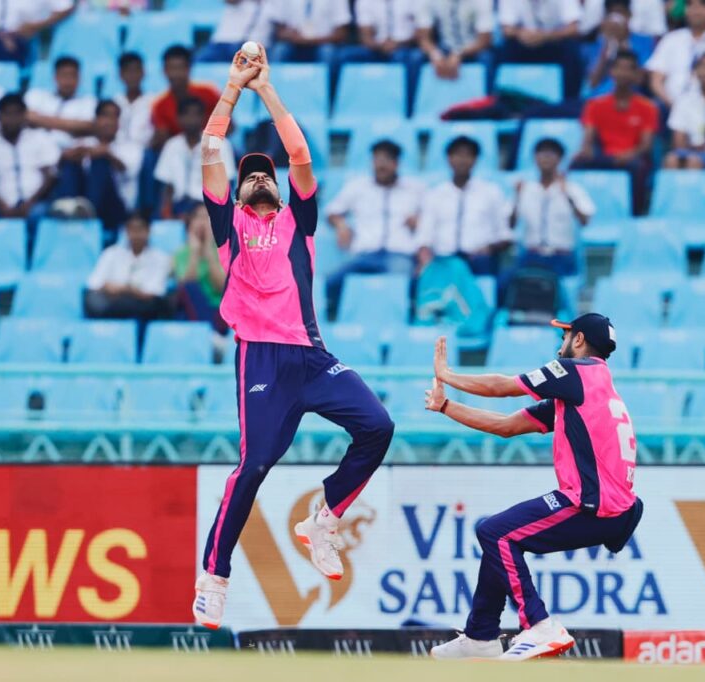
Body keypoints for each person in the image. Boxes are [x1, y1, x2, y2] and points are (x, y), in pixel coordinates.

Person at [192, 46, 394, 630]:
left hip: (312, 358)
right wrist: (232, 89)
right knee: (253, 466)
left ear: (281, 191)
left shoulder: (298, 222)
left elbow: (299, 154)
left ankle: (324, 518)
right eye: (249, 175)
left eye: (267, 174)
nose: (258, 177)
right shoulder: (228, 226)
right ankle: (214, 578)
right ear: (235, 194)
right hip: (261, 360)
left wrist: (266, 89)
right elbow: (210, 152)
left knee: (378, 426)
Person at [426, 314, 642, 661]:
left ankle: (540, 625)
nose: (560, 345)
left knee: (496, 534)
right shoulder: (590, 389)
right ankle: (480, 636)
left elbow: (501, 387)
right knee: (499, 535)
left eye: (565, 336)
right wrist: (445, 406)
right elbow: (506, 426)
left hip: (592, 505)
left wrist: (447, 375)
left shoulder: (574, 373)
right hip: (614, 510)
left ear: (579, 339)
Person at [324, 139, 424, 317]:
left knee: (404, 281)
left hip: (399, 254)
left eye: (387, 160)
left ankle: (406, 317)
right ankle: (334, 318)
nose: (381, 165)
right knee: (332, 282)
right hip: (365, 254)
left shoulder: (415, 189)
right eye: (377, 159)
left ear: (396, 163)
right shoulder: (358, 187)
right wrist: (341, 225)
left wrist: (419, 221)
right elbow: (331, 211)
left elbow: (433, 218)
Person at [572, 49, 657, 214]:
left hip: (632, 158)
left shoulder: (647, 107)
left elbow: (646, 145)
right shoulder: (595, 105)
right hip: (605, 156)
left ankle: (634, 213)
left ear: (636, 74)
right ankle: (581, 210)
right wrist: (586, 149)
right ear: (611, 72)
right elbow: (588, 137)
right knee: (577, 164)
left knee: (637, 167)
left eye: (628, 69)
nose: (623, 73)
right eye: (619, 68)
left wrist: (629, 154)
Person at [417, 136, 513, 276]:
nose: (462, 160)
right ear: (449, 159)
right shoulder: (435, 194)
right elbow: (424, 235)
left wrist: (489, 248)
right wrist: (425, 259)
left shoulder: (491, 192)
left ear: (475, 160)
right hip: (443, 258)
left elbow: (504, 235)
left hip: (478, 258)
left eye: (468, 155)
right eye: (457, 155)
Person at [0, 93, 59, 233]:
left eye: (17, 114)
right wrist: (2, 205)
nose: (12, 119)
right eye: (7, 114)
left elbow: (49, 176)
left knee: (39, 215)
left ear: (24, 116)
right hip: (1, 203)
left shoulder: (40, 138)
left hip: (35, 202)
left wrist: (30, 203)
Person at [55, 100, 143, 233]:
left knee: (100, 162)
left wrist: (107, 155)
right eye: (105, 116)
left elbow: (127, 171)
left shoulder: (130, 146)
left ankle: (89, 210)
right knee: (71, 162)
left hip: (116, 208)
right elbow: (60, 171)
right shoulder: (84, 143)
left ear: (119, 122)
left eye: (114, 117)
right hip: (81, 201)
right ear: (96, 120)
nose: (109, 121)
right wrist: (65, 157)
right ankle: (67, 207)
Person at [511, 139, 594, 278]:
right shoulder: (524, 189)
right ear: (535, 158)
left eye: (551, 154)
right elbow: (510, 224)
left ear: (560, 159)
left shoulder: (572, 188)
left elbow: (585, 221)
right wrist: (517, 197)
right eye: (541, 154)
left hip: (561, 256)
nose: (546, 159)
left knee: (552, 284)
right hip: (532, 255)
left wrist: (568, 195)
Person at [155, 97, 236, 218]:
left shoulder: (219, 144)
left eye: (195, 115)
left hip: (208, 205)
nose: (191, 119)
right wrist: (168, 214)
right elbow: (166, 186)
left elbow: (226, 183)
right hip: (180, 207)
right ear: (178, 118)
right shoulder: (171, 145)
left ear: (203, 117)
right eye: (186, 115)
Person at [84, 213, 173, 321]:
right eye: (132, 229)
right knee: (93, 300)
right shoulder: (111, 253)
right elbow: (94, 284)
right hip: (111, 301)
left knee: (153, 305)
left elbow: (154, 293)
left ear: (149, 231)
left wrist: (126, 289)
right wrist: (108, 287)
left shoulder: (161, 258)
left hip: (141, 304)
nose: (136, 234)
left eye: (140, 229)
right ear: (126, 231)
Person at [498, 0, 585, 99]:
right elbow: (506, 29)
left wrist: (545, 36)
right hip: (524, 42)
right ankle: (506, 97)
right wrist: (521, 34)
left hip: (554, 42)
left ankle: (570, 99)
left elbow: (574, 28)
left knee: (571, 48)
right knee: (505, 47)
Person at [269, 0, 351, 99]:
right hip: (294, 43)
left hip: (323, 43)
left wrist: (312, 40)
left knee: (328, 53)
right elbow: (279, 31)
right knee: (279, 51)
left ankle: (328, 99)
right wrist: (292, 36)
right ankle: (269, 97)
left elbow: (341, 34)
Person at [150, 45, 221, 150]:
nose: (176, 74)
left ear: (189, 68)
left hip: (213, 147)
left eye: (180, 68)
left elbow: (229, 127)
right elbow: (164, 139)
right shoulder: (159, 105)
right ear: (164, 70)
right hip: (177, 152)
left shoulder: (209, 93)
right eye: (171, 68)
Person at [581, 0, 656, 99]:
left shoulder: (645, 41)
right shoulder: (596, 42)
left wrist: (622, 41)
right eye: (612, 14)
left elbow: (640, 79)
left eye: (620, 13)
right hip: (600, 98)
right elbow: (592, 83)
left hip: (633, 98)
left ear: (629, 15)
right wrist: (606, 47)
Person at [24, 56, 98, 149]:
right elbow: (26, 116)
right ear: (55, 77)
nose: (68, 81)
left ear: (79, 78)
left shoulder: (89, 101)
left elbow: (88, 126)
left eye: (72, 75)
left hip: (72, 151)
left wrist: (41, 121)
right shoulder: (37, 95)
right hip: (36, 150)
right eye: (64, 75)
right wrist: (71, 125)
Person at [174, 205, 227, 333]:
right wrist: (195, 252)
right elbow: (185, 287)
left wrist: (209, 249)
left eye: (207, 217)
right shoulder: (181, 254)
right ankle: (211, 334)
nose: (202, 222)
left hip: (219, 310)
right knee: (189, 288)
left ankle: (209, 333)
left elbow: (223, 287)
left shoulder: (225, 250)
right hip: (191, 312)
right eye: (198, 217)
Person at [415, 0, 494, 81]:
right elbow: (423, 37)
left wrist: (458, 53)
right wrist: (435, 55)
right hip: (442, 47)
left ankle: (489, 89)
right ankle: (412, 89)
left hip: (472, 49)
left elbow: (485, 39)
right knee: (415, 57)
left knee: (487, 57)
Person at [197, 0, 279, 62]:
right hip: (223, 42)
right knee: (198, 66)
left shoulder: (275, 4)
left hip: (255, 47)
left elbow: (280, 29)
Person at [112, 52, 155, 147]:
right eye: (128, 71)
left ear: (143, 72)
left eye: (136, 70)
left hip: (146, 151)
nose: (133, 75)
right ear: (120, 74)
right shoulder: (114, 103)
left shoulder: (154, 102)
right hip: (116, 151)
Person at [581, 0, 666, 38]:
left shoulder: (651, 1)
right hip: (600, 46)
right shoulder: (594, 1)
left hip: (637, 49)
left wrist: (626, 33)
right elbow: (584, 33)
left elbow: (658, 34)